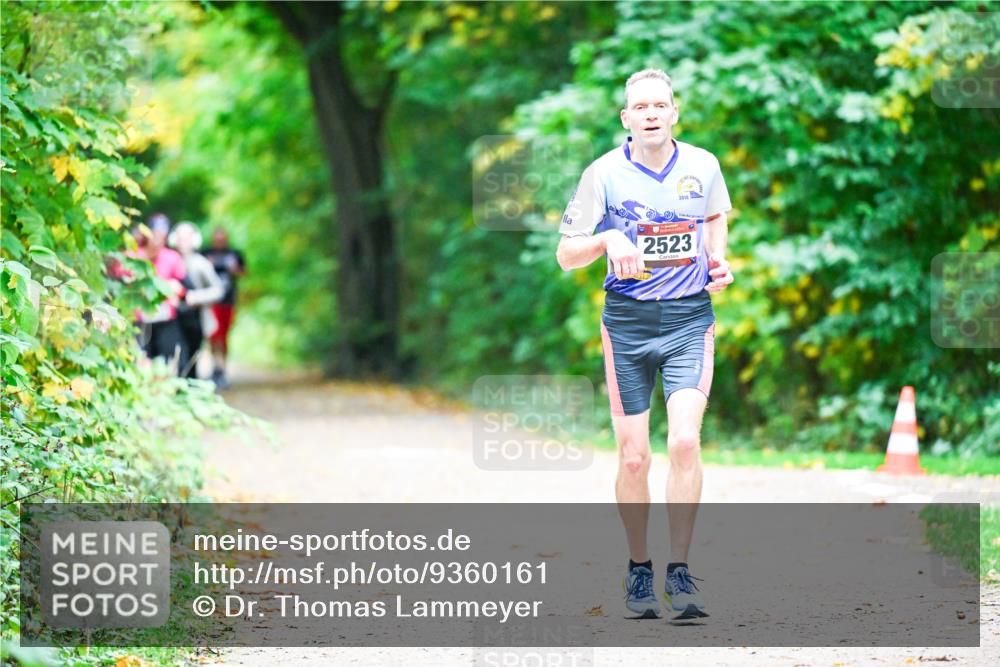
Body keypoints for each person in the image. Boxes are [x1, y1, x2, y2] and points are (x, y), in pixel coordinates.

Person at [555, 69, 734, 623]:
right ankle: (639, 568)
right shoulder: (602, 174)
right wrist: (609, 237)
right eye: (641, 106)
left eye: (661, 104)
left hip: (687, 320)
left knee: (684, 442)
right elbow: (565, 254)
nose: (652, 113)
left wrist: (719, 262)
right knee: (634, 456)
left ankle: (678, 570)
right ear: (626, 118)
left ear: (674, 112)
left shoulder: (702, 165)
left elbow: (713, 219)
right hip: (627, 325)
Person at [134, 214, 190, 374]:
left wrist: (176, 291)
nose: (158, 240)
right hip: (139, 319)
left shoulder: (172, 257)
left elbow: (184, 287)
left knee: (173, 359)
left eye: (162, 236)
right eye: (155, 235)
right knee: (141, 360)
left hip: (165, 318)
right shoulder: (133, 256)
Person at [170, 222, 225, 379]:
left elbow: (218, 290)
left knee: (191, 360)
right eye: (180, 238)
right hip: (172, 319)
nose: (183, 242)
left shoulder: (201, 263)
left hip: (195, 318)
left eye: (187, 238)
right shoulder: (168, 259)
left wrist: (194, 297)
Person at [202, 228, 246, 389]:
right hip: (210, 302)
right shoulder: (206, 253)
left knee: (224, 336)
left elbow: (244, 272)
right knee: (213, 334)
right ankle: (215, 367)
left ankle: (222, 369)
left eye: (222, 239)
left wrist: (235, 270)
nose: (220, 242)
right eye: (217, 239)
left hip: (228, 301)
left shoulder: (235, 254)